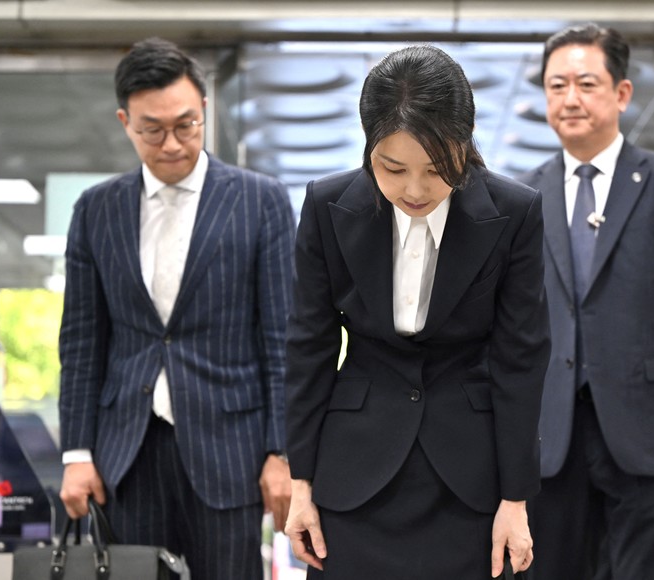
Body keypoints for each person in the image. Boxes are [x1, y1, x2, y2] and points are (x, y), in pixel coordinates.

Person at [283, 45, 551, 580]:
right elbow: (309, 348)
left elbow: (520, 360)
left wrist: (516, 499)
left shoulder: (514, 212)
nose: (414, 189)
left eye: (437, 168)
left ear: (465, 145)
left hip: (470, 477)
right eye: (393, 167)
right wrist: (300, 483)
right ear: (369, 149)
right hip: (353, 472)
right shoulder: (327, 206)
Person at [57, 37, 295, 579]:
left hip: (230, 453)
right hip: (127, 456)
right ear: (125, 122)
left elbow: (283, 340)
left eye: (186, 125)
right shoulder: (96, 210)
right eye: (152, 129)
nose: (171, 144)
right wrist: (76, 453)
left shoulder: (260, 202)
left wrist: (282, 452)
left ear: (204, 109)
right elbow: (82, 341)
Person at [518, 23, 654, 579]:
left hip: (653, 432)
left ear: (621, 93)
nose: (570, 99)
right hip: (551, 435)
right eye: (557, 86)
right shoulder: (522, 197)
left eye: (586, 84)